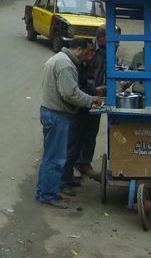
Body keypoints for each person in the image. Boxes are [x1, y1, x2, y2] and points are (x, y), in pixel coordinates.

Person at [36, 38, 105, 209]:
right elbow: (70, 94)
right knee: (56, 157)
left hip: (49, 111)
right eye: (87, 52)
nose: (88, 56)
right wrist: (91, 99)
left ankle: (43, 191)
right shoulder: (66, 64)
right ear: (79, 49)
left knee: (49, 156)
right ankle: (49, 195)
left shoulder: (59, 58)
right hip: (57, 114)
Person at [63, 25, 108, 185]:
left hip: (93, 97)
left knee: (90, 133)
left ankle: (82, 164)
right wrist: (92, 93)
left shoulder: (105, 52)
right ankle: (66, 176)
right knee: (74, 140)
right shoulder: (76, 61)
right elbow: (74, 90)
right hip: (82, 101)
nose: (89, 55)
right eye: (87, 53)